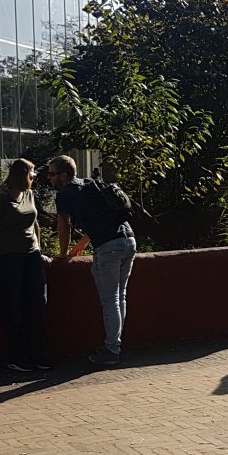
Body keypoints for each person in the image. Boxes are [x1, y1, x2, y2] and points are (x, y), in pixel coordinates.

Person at [47, 154, 137, 365]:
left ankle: (111, 350)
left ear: (63, 175)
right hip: (128, 241)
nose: (49, 178)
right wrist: (81, 246)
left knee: (110, 300)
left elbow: (64, 226)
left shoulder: (65, 194)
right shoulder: (90, 185)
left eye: (52, 174)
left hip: (108, 248)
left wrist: (63, 251)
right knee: (120, 297)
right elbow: (101, 219)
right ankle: (116, 344)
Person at [0, 158, 50, 373]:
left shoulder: (30, 194)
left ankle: (38, 354)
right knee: (14, 306)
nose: (35, 176)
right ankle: (16, 357)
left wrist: (40, 250)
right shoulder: (0, 199)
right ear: (23, 174)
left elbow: (36, 225)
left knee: (38, 303)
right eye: (33, 173)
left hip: (32, 256)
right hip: (10, 258)